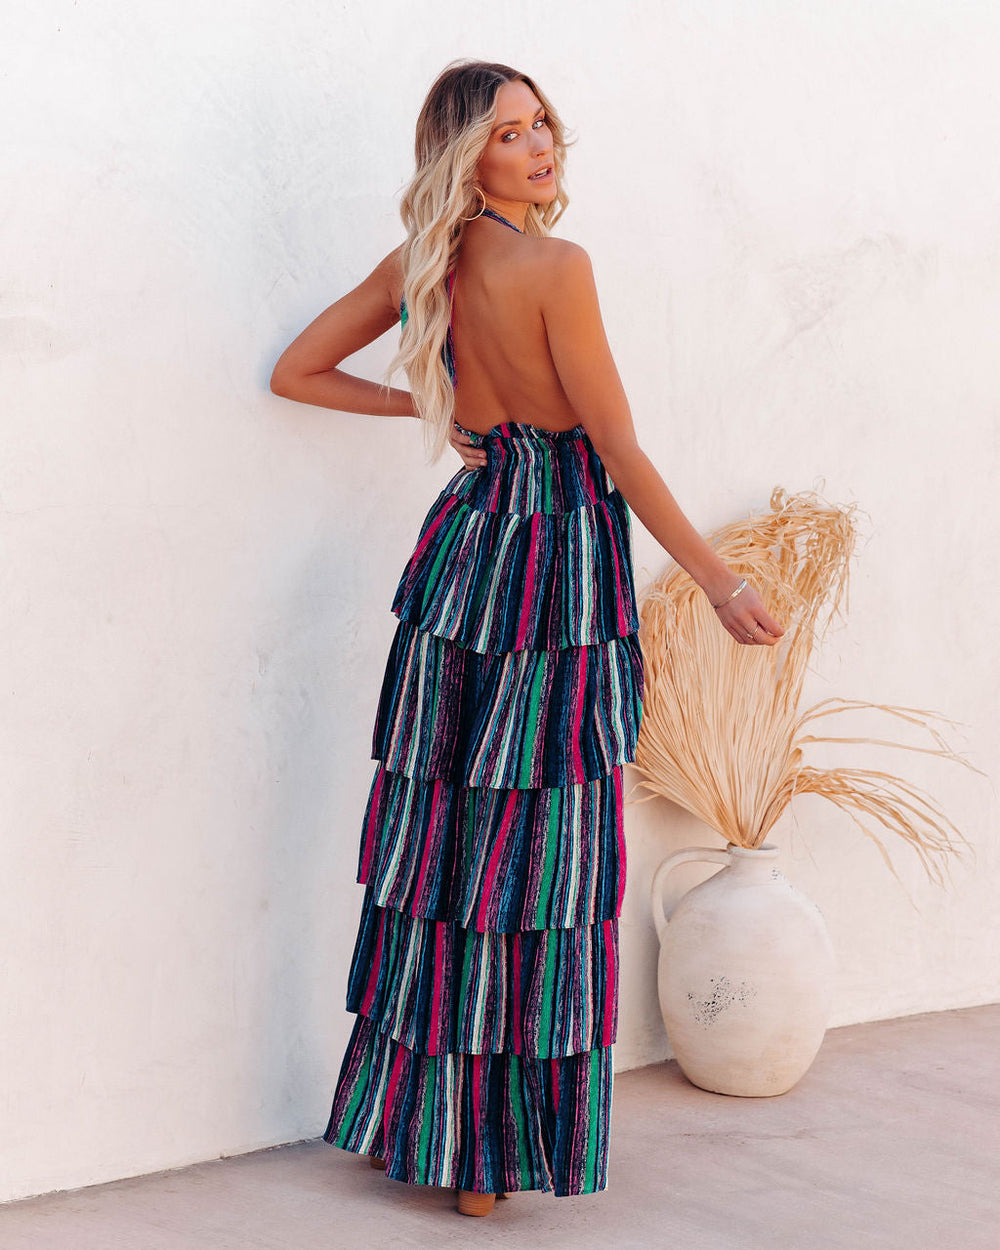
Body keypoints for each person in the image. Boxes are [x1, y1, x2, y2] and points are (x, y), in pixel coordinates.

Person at [270, 58, 785, 1218]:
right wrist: (716, 581)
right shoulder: (558, 267)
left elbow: (298, 371)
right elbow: (616, 449)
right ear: (467, 154)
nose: (541, 143)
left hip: (463, 557)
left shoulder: (423, 263)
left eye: (542, 121)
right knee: (541, 854)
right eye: (510, 132)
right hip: (555, 571)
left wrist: (429, 406)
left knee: (449, 845)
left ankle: (432, 1129)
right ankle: (492, 1156)